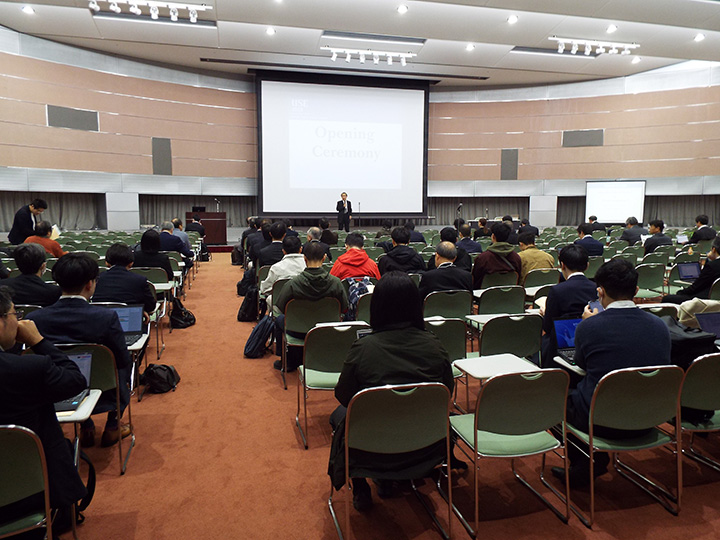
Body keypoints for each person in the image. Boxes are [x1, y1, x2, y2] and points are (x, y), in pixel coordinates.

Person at [328, 272, 455, 510]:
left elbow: (344, 396)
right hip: (425, 444)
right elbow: (447, 390)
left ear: (377, 307)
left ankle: (361, 486)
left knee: (340, 415)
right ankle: (388, 478)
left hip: (371, 446)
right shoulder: (434, 345)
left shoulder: (363, 347)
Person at [551, 259, 671, 487]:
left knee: (552, 401)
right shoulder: (660, 325)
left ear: (600, 291)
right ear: (636, 290)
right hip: (651, 417)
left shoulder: (589, 326)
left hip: (601, 421)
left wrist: (589, 324)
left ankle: (585, 463)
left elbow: (581, 364)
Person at [0, 286, 88, 531]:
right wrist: (38, 341)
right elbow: (76, 381)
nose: (18, 320)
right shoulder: (28, 369)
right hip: (28, 491)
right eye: (14, 314)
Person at [27, 253, 132, 448]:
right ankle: (112, 426)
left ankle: (87, 426)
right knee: (122, 367)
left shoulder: (35, 319)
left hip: (55, 387)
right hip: (103, 389)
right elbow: (122, 359)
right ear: (90, 284)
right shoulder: (106, 317)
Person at [273, 241, 348, 371]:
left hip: (297, 332)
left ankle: (286, 361)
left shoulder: (293, 284)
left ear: (304, 258)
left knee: (279, 319)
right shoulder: (336, 283)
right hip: (326, 329)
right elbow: (344, 308)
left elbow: (279, 308)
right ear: (324, 257)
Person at [540, 245, 597, 366]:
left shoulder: (557, 290)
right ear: (587, 266)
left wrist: (546, 312)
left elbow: (548, 327)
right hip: (590, 345)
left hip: (560, 347)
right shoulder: (596, 288)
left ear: (562, 265)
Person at [92, 242, 156, 314]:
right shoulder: (140, 280)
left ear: (107, 263)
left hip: (100, 318)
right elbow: (150, 307)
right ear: (131, 263)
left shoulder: (96, 279)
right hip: (130, 319)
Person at [663, 237, 720, 303]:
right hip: (715, 297)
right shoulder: (712, 265)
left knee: (666, 298)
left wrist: (680, 292)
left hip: (703, 300)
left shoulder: (712, 266)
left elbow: (695, 288)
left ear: (714, 249)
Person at [259, 235, 306, 310]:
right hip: (307, 304)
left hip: (282, 307)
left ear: (283, 251)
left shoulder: (276, 268)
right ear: (301, 249)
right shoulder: (309, 266)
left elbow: (265, 289)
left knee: (270, 298)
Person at [471, 222, 522, 289]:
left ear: (493, 236)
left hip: (486, 294)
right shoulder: (516, 257)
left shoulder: (482, 258)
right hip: (510, 294)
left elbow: (476, 280)